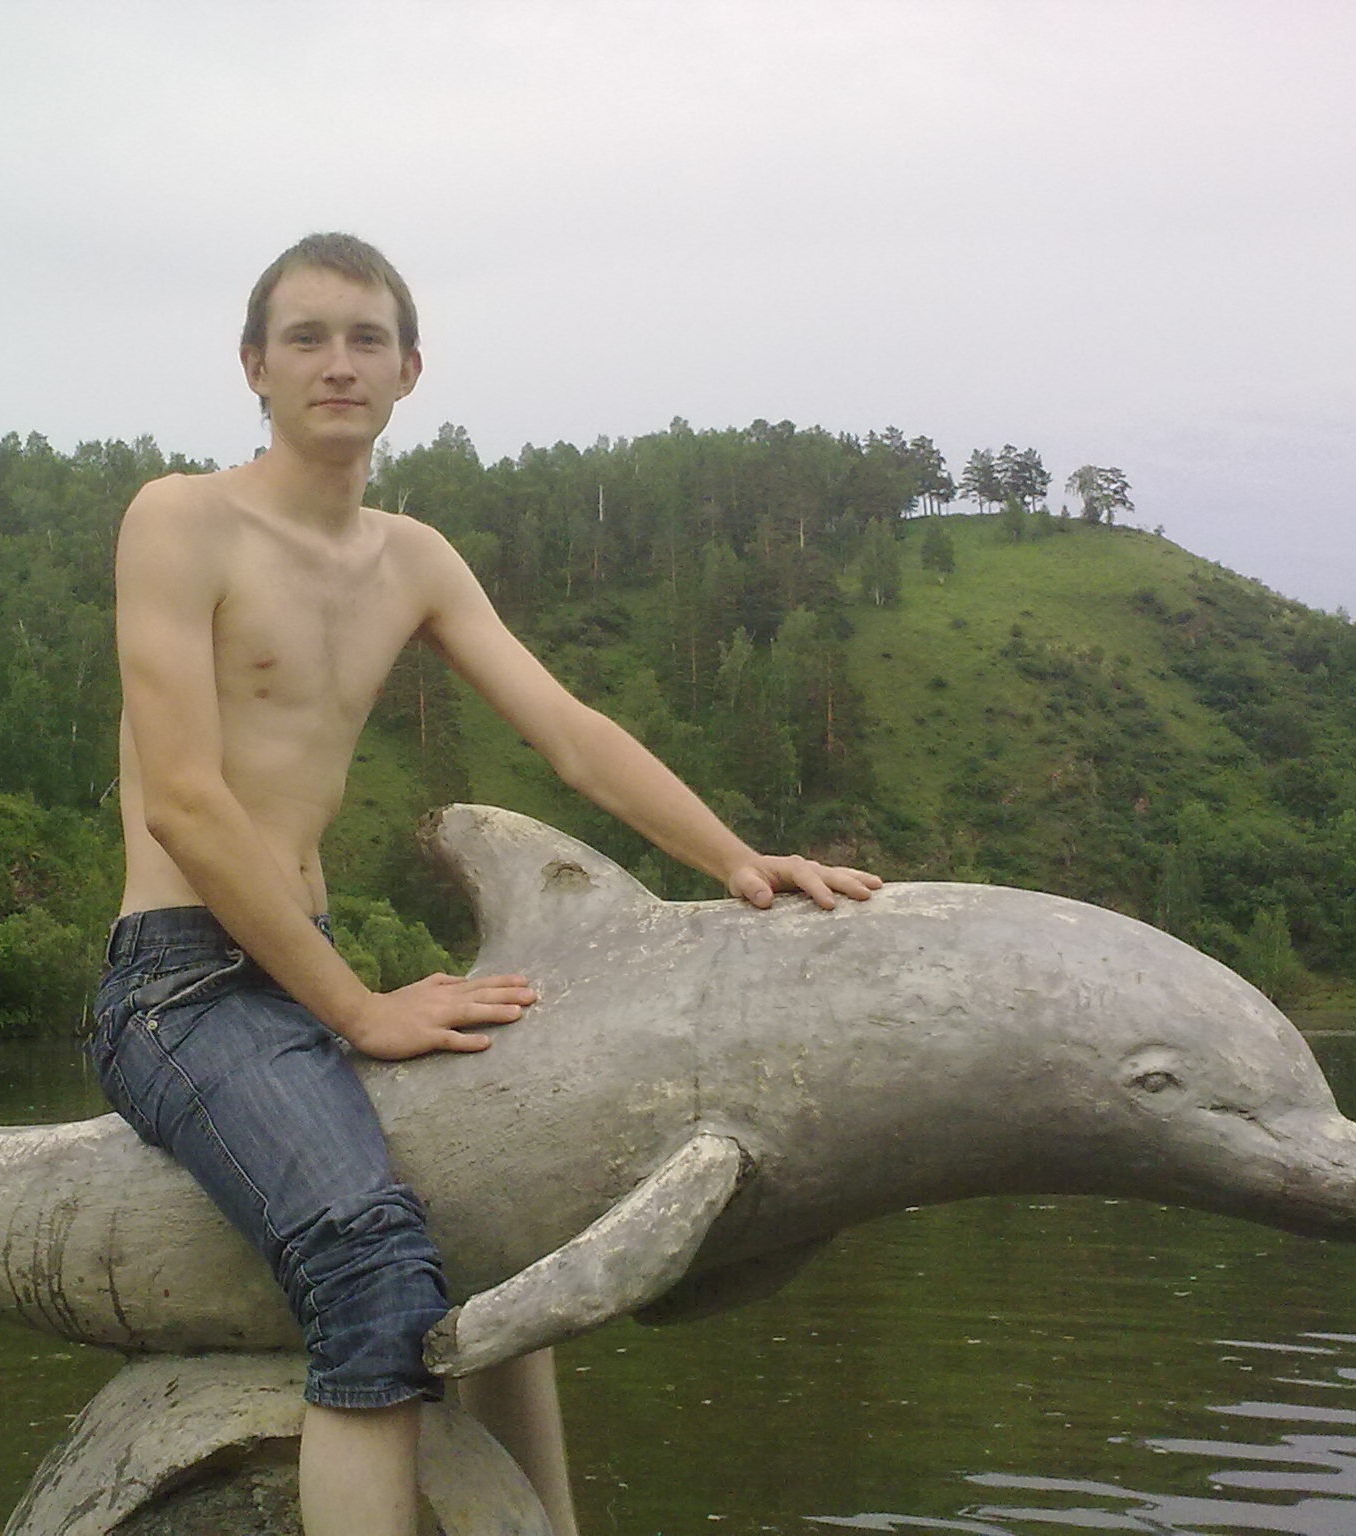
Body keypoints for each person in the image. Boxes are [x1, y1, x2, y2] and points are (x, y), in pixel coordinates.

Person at [91, 231, 881, 1536]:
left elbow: (569, 732)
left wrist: (740, 859)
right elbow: (184, 801)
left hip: (304, 968)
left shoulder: (412, 557)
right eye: (306, 337)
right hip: (183, 988)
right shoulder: (180, 519)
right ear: (253, 366)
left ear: (409, 370)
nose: (337, 363)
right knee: (371, 1278)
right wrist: (357, 1009)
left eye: (366, 339)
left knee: (518, 1226)